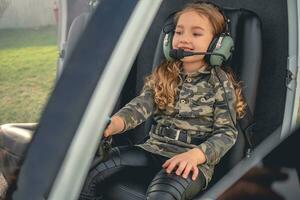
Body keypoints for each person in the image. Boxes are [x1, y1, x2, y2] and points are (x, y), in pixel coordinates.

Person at [79, 1, 246, 200]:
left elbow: (226, 134)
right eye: (179, 32)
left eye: (196, 33)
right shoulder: (164, 74)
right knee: (95, 171)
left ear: (217, 44)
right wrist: (112, 124)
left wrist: (195, 156)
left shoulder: (219, 82)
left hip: (191, 162)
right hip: (152, 149)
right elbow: (140, 106)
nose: (184, 39)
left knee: (163, 195)